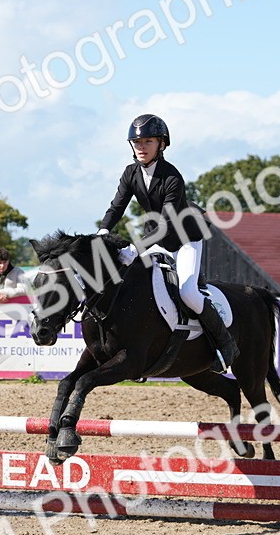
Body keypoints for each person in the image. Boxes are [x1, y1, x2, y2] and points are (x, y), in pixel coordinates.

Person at [96, 113, 237, 370]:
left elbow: (167, 225)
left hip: (184, 239)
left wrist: (134, 247)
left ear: (162, 144)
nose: (141, 147)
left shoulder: (172, 177)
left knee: (188, 292)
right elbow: (117, 207)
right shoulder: (130, 173)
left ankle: (225, 345)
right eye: (137, 142)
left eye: (148, 141)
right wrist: (103, 231)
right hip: (156, 237)